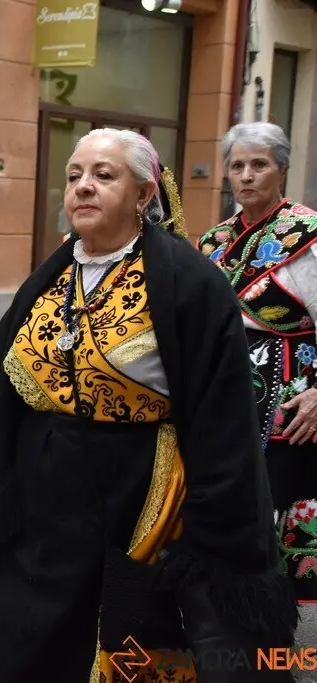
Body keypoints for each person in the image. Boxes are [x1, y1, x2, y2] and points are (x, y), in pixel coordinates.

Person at [0, 130, 297, 682]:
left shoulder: (190, 283)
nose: (83, 186)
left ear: (144, 194)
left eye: (104, 175)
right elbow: (2, 389)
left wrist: (211, 530)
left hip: (128, 496)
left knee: (106, 642)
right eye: (74, 175)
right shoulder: (51, 276)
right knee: (0, 639)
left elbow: (224, 421)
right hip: (35, 492)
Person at [198, 121, 317, 601]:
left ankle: (273, 623)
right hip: (222, 399)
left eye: (259, 165)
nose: (246, 176)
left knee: (276, 504)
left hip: (289, 400)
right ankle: (228, 617)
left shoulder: (307, 235)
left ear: (281, 170)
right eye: (237, 166)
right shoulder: (214, 241)